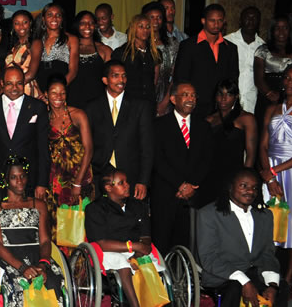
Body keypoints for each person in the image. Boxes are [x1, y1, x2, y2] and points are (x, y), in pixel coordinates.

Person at [197, 168, 290, 307]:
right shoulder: (209, 214)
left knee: (282, 289)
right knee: (234, 291)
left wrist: (272, 284)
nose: (250, 191)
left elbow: (267, 254)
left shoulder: (264, 215)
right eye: (243, 186)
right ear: (230, 187)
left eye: (254, 188)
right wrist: (243, 281)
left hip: (254, 270)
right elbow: (209, 258)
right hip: (222, 272)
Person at [0, 156, 69, 307]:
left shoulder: (38, 205)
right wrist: (22, 267)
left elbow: (46, 240)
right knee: (24, 282)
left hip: (37, 255)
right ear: (6, 180)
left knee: (54, 280)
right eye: (14, 177)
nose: (20, 181)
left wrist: (43, 263)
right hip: (9, 258)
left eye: (22, 176)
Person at [85, 169, 167, 307]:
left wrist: (138, 252)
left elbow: (145, 236)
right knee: (122, 263)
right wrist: (132, 247)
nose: (127, 185)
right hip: (109, 250)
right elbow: (101, 242)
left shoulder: (138, 206)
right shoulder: (95, 209)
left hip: (135, 249)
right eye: (121, 183)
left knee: (147, 260)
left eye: (126, 181)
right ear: (108, 187)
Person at [259, 63, 292, 288]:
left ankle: (289, 279)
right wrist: (269, 177)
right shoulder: (271, 108)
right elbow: (263, 146)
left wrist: (274, 171)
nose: (291, 82)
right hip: (270, 170)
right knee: (267, 220)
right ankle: (267, 273)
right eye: (288, 78)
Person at [151, 82, 214, 254]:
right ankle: (161, 280)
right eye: (185, 95)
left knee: (187, 245)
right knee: (161, 243)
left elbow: (206, 159)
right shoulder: (159, 125)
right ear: (173, 99)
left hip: (192, 196)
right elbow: (157, 160)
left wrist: (191, 185)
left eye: (193, 95)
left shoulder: (204, 126)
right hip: (166, 193)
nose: (191, 99)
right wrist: (180, 184)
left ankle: (184, 279)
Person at [86, 60, 153, 200]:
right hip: (100, 176)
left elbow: (147, 147)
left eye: (124, 76)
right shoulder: (92, 107)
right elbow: (87, 145)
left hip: (131, 177)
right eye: (115, 76)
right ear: (105, 80)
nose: (121, 80)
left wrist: (143, 181)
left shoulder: (140, 106)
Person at [43, 73, 95, 241]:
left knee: (79, 232)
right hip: (56, 182)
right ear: (46, 94)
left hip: (79, 177)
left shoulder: (78, 115)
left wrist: (78, 182)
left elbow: (89, 149)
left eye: (62, 93)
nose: (58, 97)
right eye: (53, 93)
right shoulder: (45, 119)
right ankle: (62, 266)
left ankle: (81, 267)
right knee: (60, 231)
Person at [0, 67, 50, 201]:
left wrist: (42, 183)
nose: (14, 88)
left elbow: (43, 148)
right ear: (2, 83)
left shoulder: (38, 107)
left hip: (29, 179)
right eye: (9, 83)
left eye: (19, 83)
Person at [175, 4, 240, 117]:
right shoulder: (188, 45)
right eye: (212, 20)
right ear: (203, 21)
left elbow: (233, 77)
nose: (216, 24)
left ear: (224, 21)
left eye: (220, 20)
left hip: (222, 107)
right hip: (195, 106)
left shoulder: (230, 48)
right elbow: (181, 77)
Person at [200, 79, 257, 205]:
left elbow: (251, 154)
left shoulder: (246, 118)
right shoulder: (209, 120)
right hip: (209, 176)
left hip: (233, 176)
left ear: (236, 97)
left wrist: (245, 182)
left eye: (229, 94)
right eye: (220, 94)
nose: (224, 98)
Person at [253, 15, 292, 126]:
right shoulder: (262, 50)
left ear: (290, 30)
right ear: (272, 30)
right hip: (269, 94)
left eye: (285, 28)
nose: (281, 31)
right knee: (267, 130)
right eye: (277, 28)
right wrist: (269, 93)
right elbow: (258, 79)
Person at [112, 14, 160, 113]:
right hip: (127, 103)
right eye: (141, 26)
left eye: (148, 27)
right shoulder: (122, 52)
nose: (145, 30)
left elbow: (154, 80)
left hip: (148, 103)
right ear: (133, 28)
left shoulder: (155, 53)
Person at [224, 6, 264, 114]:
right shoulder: (227, 41)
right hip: (228, 101)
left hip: (252, 104)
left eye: (254, 18)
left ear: (259, 22)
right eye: (247, 18)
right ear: (240, 21)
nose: (250, 21)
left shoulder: (263, 47)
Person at [33, 3, 79, 97]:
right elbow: (32, 70)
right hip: (40, 91)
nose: (54, 18)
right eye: (50, 15)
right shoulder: (37, 40)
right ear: (43, 19)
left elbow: (73, 71)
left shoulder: (71, 39)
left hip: (61, 89)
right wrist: (38, 91)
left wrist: (58, 91)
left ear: (62, 19)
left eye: (58, 15)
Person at [142, 1, 179, 116]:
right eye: (151, 17)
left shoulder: (172, 44)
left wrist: (165, 101)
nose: (155, 21)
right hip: (142, 100)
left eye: (159, 17)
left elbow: (177, 75)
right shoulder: (140, 44)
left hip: (167, 99)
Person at [69, 10, 111, 109]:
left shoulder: (105, 50)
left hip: (97, 104)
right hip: (72, 101)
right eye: (83, 23)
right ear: (77, 25)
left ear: (95, 26)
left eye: (91, 23)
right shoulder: (68, 48)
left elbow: (111, 80)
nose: (87, 26)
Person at [5, 9, 41, 98]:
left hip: (25, 89)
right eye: (17, 23)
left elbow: (32, 73)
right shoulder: (13, 46)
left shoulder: (35, 43)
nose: (21, 26)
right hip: (11, 91)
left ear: (31, 23)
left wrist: (13, 87)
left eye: (25, 22)